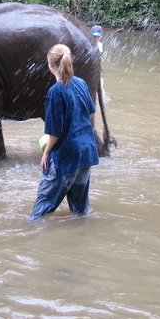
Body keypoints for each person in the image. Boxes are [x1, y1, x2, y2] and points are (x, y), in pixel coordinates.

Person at [31, 44, 100, 220]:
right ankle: (80, 239)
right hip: (86, 152)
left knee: (41, 210)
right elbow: (91, 112)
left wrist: (46, 153)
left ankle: (31, 240)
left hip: (66, 156)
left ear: (50, 64)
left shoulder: (55, 92)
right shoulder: (81, 83)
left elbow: (55, 131)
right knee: (80, 210)